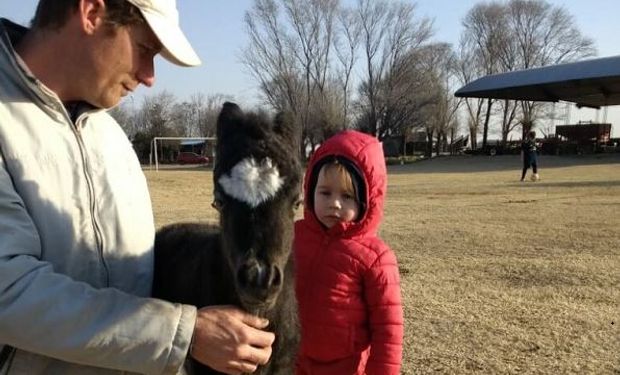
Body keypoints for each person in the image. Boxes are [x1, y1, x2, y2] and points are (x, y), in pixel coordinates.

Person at [0, 1, 274, 374]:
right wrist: (185, 334)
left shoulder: (112, 140)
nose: (150, 76)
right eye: (146, 49)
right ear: (92, 13)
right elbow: (9, 292)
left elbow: (137, 279)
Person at [294, 130, 404, 375]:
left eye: (347, 196)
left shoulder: (376, 257)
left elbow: (388, 330)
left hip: (345, 367)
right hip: (292, 362)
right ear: (310, 189)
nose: (334, 203)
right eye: (325, 193)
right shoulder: (292, 236)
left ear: (367, 200)